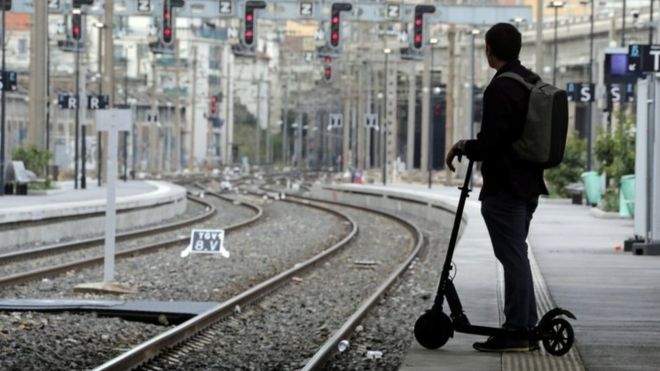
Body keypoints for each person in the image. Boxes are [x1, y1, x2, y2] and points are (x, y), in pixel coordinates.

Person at [445, 22, 548, 352]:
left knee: (513, 257)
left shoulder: (500, 88)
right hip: (529, 184)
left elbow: (490, 143)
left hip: (505, 187)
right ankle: (523, 326)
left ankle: (518, 329)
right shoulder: (530, 81)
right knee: (516, 254)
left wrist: (463, 145)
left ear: (489, 50)